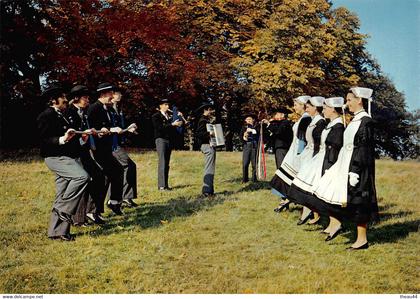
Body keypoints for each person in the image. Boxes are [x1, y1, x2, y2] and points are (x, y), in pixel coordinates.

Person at [312, 87, 379, 250]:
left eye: (349, 100)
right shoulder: (355, 120)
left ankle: (362, 240)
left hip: (358, 168)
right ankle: (337, 225)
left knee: (359, 201)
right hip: (345, 165)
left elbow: (364, 149)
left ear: (359, 101)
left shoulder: (366, 121)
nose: (346, 104)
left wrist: (355, 170)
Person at [37, 84, 90, 241]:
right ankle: (63, 209)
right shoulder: (45, 116)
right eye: (63, 97)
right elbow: (43, 140)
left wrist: (81, 139)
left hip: (66, 157)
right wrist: (62, 139)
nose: (66, 99)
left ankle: (57, 232)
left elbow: (69, 138)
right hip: (55, 158)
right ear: (54, 100)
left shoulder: (63, 114)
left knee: (62, 193)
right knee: (82, 177)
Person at [287, 97, 345, 235]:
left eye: (325, 108)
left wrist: (329, 165)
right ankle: (330, 223)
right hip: (321, 159)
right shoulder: (331, 124)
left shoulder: (338, 126)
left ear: (332, 109)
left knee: (327, 193)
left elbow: (336, 147)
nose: (323, 110)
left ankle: (335, 223)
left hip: (329, 162)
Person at [65, 85, 107, 225]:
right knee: (84, 180)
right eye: (85, 97)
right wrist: (82, 135)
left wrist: (93, 132)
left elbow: (84, 130)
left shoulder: (84, 112)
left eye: (88, 98)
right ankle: (78, 218)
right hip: (73, 154)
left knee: (99, 176)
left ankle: (91, 211)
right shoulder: (69, 112)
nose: (88, 100)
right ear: (76, 98)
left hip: (84, 152)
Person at [87, 82, 124, 215]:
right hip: (96, 150)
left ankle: (113, 203)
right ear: (102, 94)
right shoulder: (94, 108)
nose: (112, 96)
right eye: (110, 94)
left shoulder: (107, 109)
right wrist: (109, 130)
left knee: (117, 171)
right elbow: (90, 129)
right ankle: (93, 210)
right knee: (102, 177)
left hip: (106, 149)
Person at [270, 95, 312, 212]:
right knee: (283, 176)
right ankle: (285, 200)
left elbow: (303, 139)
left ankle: (289, 201)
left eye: (296, 105)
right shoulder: (303, 118)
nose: (294, 108)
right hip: (294, 151)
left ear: (303, 106)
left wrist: (299, 155)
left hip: (298, 153)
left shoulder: (306, 118)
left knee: (289, 177)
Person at [292, 96, 326, 225]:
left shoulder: (320, 122)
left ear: (316, 108)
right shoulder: (313, 121)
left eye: (309, 107)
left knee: (311, 185)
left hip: (315, 156)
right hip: (308, 154)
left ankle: (312, 212)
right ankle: (311, 212)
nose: (307, 109)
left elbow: (319, 142)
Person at [110, 90, 138, 207]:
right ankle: (123, 197)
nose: (120, 95)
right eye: (117, 93)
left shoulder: (118, 110)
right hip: (112, 145)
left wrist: (129, 129)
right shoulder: (109, 110)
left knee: (126, 167)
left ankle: (124, 197)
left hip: (117, 143)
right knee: (128, 166)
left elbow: (120, 129)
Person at [151, 99, 183, 190]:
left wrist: (179, 119)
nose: (167, 107)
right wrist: (172, 124)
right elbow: (159, 128)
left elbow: (172, 129)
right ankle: (161, 185)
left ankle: (165, 184)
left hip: (168, 140)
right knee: (162, 162)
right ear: (160, 106)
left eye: (168, 105)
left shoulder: (169, 117)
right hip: (160, 140)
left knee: (167, 163)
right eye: (165, 104)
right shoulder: (156, 116)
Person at [195, 102, 217, 196]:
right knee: (209, 168)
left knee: (211, 167)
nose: (211, 111)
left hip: (209, 145)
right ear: (205, 110)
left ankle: (210, 190)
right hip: (206, 145)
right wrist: (210, 134)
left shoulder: (206, 120)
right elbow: (198, 134)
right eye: (209, 110)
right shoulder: (202, 121)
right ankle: (207, 191)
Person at [240, 114, 259, 183]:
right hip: (247, 145)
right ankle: (245, 179)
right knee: (245, 163)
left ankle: (254, 179)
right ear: (245, 120)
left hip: (254, 145)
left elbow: (258, 134)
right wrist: (244, 137)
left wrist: (252, 130)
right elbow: (241, 137)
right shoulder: (243, 127)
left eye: (250, 119)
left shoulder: (256, 126)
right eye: (247, 119)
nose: (249, 121)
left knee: (254, 164)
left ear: (253, 120)